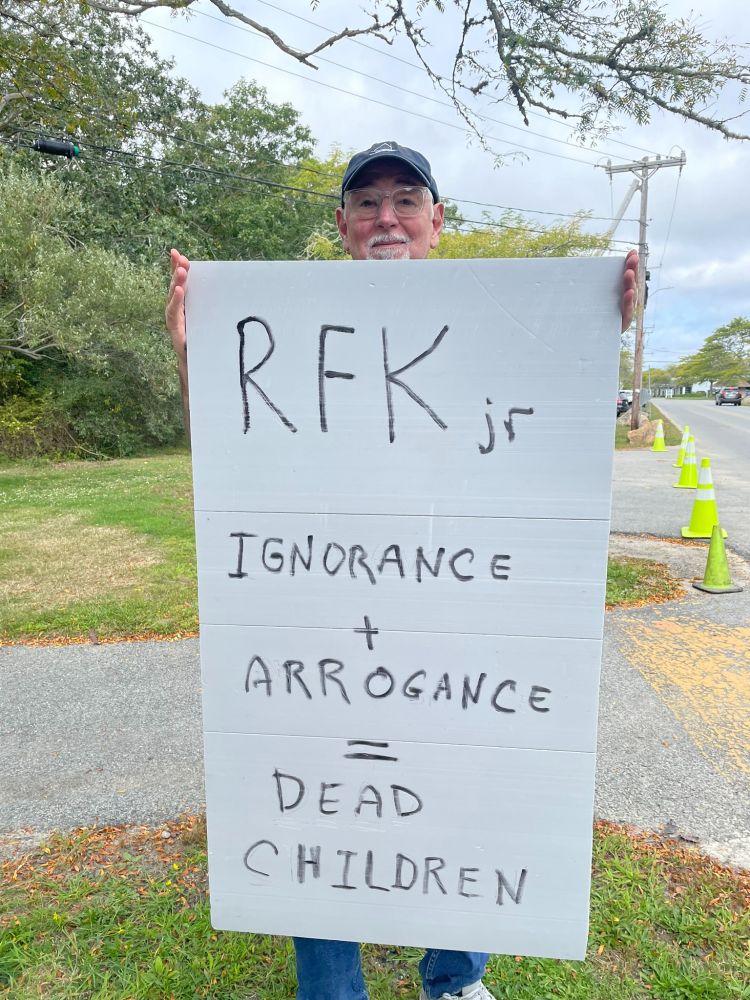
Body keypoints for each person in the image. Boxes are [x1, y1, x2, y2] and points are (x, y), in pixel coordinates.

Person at [165, 141, 638, 1000]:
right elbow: (233, 456)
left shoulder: (502, 324)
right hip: (320, 607)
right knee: (320, 794)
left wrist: (603, 325)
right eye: (368, 201)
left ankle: (455, 978)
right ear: (342, 223)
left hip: (461, 603)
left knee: (459, 785)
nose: (388, 217)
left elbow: (554, 444)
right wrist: (195, 356)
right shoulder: (284, 323)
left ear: (436, 219)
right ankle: (332, 988)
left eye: (406, 200)